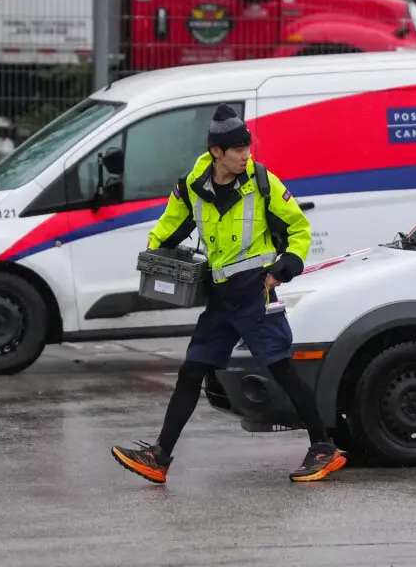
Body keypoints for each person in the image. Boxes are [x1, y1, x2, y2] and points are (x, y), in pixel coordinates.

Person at [110, 104, 346, 484]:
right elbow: (169, 227)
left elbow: (300, 231)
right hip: (220, 296)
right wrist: (154, 257)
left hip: (256, 291)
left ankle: (324, 448)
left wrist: (279, 274)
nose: (246, 156)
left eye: (248, 148)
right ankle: (159, 457)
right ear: (217, 152)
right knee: (192, 369)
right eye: (238, 150)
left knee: (281, 368)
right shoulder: (193, 184)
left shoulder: (263, 181)